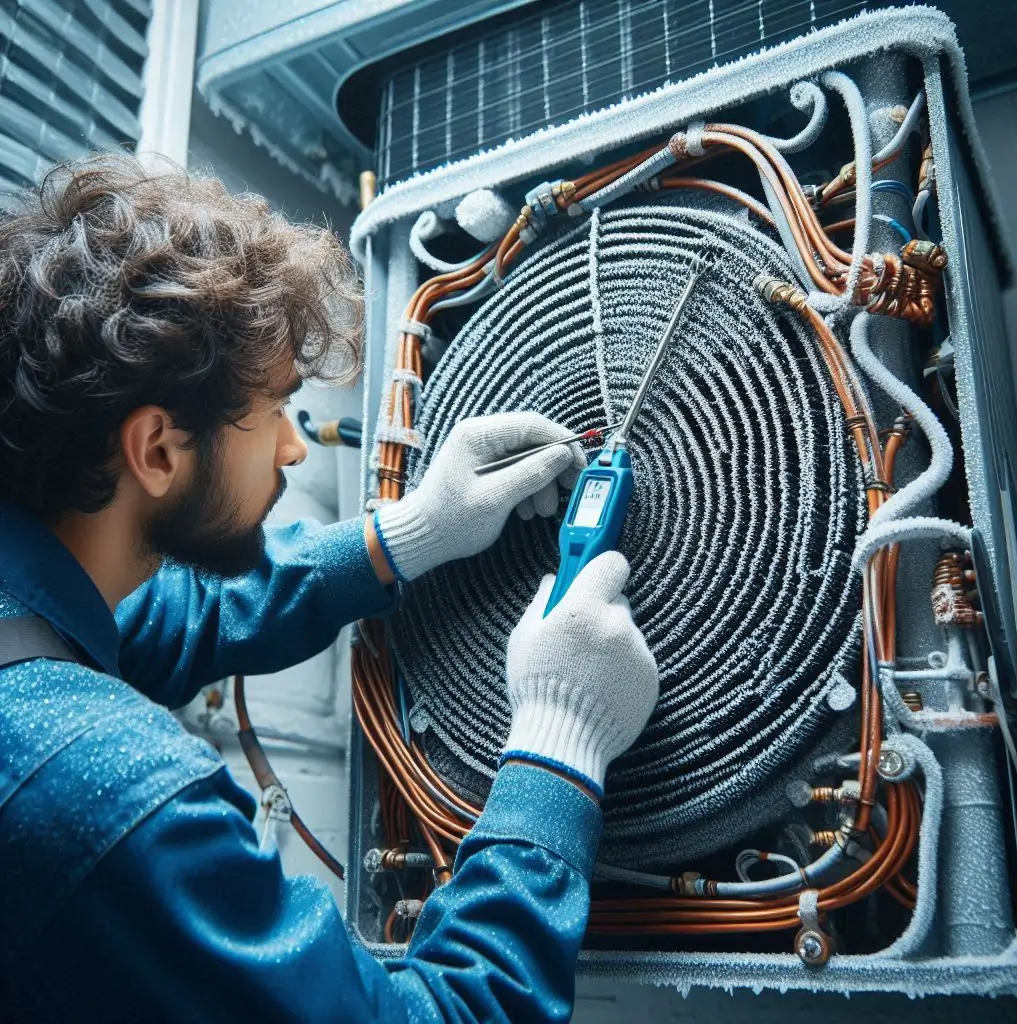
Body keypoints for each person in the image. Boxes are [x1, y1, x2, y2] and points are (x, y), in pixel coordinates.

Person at [0, 155, 659, 1023]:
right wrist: (560, 737)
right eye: (274, 410)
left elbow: (170, 618)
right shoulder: (102, 787)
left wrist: (408, 532)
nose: (296, 451)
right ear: (156, 450)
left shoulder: (35, 592)